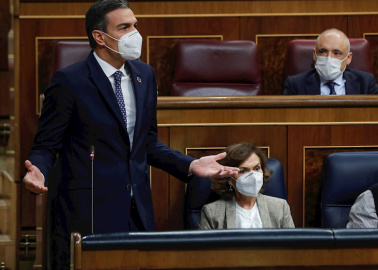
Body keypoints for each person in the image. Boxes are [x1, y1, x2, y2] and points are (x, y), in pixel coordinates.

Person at [23, 0, 238, 268]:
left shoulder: (144, 75)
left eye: (135, 25)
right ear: (99, 37)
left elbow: (146, 143)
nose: (135, 34)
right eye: (124, 27)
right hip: (89, 211)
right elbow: (46, 145)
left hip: (138, 208)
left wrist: (191, 164)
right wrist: (38, 171)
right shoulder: (69, 81)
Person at [198, 143, 295, 229]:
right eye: (243, 171)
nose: (253, 176)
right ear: (229, 179)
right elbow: (204, 249)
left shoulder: (280, 207)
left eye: (257, 168)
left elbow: (292, 246)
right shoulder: (211, 212)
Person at [284, 28, 378, 95]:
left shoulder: (366, 83)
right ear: (314, 55)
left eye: (336, 53)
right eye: (323, 52)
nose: (329, 58)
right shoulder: (296, 84)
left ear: (348, 58)